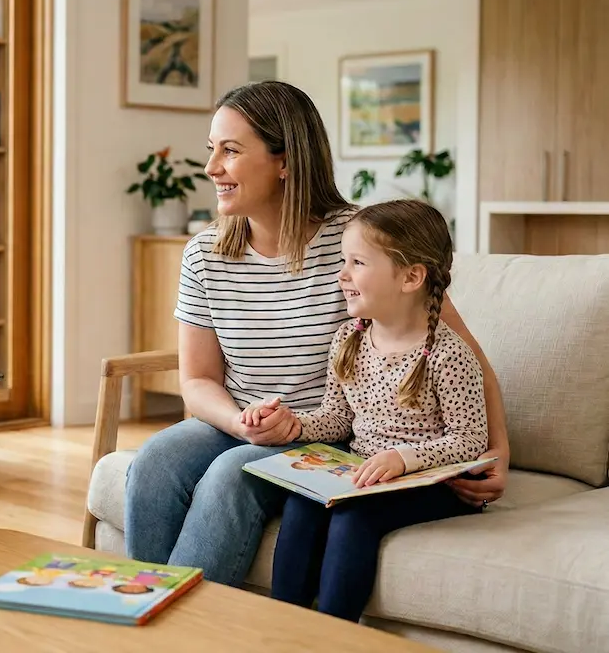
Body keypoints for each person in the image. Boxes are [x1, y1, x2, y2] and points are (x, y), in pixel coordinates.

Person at [123, 80, 510, 584]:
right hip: (236, 419)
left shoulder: (358, 243)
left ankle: (190, 631)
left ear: (285, 160)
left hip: (325, 432)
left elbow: (460, 354)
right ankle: (139, 606)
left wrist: (497, 455)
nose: (211, 167)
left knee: (232, 475)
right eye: (211, 150)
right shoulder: (203, 255)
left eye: (231, 151)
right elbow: (197, 382)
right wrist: (241, 422)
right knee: (153, 461)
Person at [261, 199, 487, 622]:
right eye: (344, 261)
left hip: (433, 485)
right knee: (303, 502)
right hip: (364, 473)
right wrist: (295, 424)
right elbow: (337, 418)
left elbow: (471, 440)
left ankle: (335, 634)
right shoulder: (349, 339)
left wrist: (402, 459)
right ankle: (285, 628)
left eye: (358, 262)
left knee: (353, 516)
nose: (342, 275)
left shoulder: (446, 355)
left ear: (411, 277)